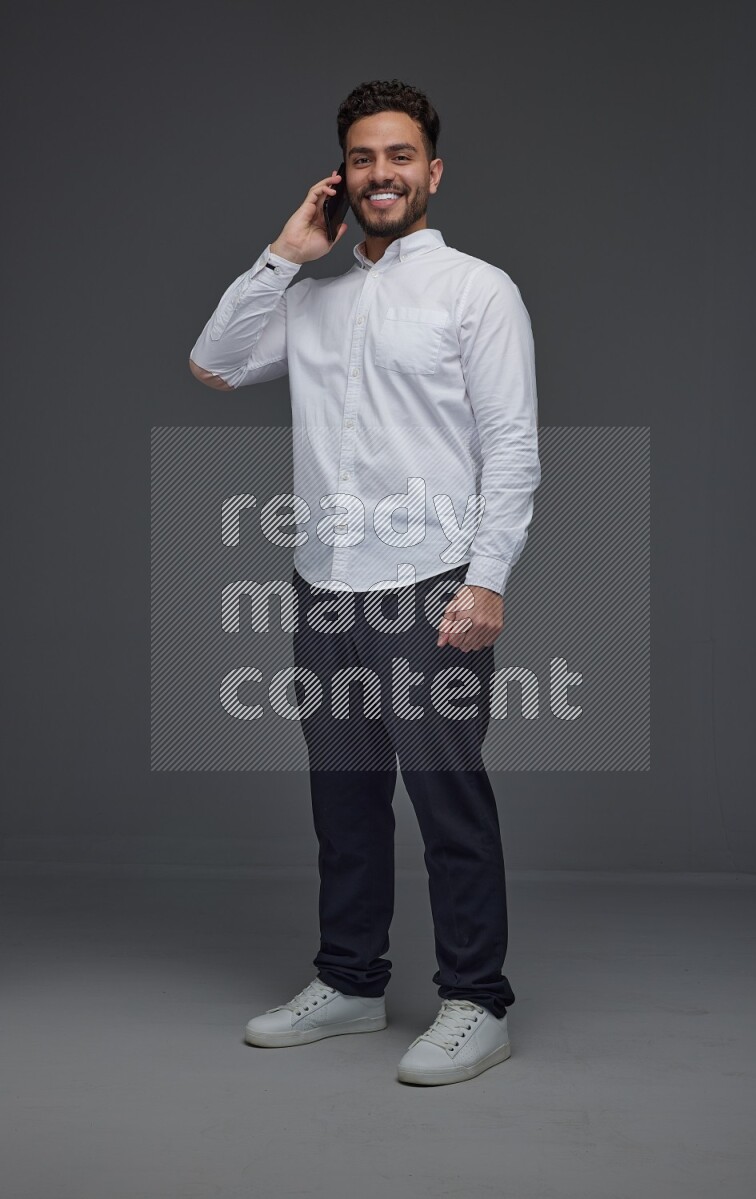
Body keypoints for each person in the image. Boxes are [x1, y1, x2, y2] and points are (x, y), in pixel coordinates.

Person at [189, 79, 541, 1086]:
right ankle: (348, 981)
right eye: (361, 157)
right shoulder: (312, 297)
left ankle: (476, 999)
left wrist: (486, 579)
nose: (379, 173)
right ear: (339, 174)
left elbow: (510, 446)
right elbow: (212, 365)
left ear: (431, 170)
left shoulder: (476, 291)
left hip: (432, 585)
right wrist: (281, 255)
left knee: (446, 797)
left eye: (398, 156)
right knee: (342, 798)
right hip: (322, 583)